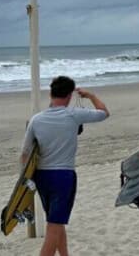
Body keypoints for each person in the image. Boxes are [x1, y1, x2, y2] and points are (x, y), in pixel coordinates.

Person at [21, 76, 110, 256]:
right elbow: (104, 112)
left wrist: (27, 178)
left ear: (50, 93)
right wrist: (91, 96)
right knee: (53, 228)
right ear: (70, 96)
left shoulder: (36, 120)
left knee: (56, 222)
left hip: (41, 176)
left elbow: (24, 154)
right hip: (63, 176)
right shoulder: (73, 115)